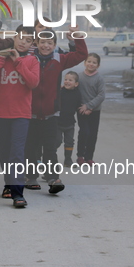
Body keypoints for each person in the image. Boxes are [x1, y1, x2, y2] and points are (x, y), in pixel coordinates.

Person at [24, 28, 88, 194]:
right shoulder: (29, 59)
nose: (46, 46)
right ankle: (31, 177)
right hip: (29, 113)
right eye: (43, 42)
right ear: (36, 43)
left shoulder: (59, 59)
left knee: (50, 148)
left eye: (50, 43)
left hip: (51, 113)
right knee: (30, 147)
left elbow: (81, 55)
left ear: (54, 45)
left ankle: (53, 178)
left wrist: (76, 39)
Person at [0, 25, 40, 208]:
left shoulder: (32, 60)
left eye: (28, 40)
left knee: (17, 153)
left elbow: (33, 83)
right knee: (4, 152)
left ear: (32, 44)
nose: (23, 42)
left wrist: (18, 62)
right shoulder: (0, 57)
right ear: (14, 37)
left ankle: (18, 193)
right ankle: (8, 184)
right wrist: (0, 59)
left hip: (21, 115)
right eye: (21, 38)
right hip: (1, 112)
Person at [76, 53, 106, 166]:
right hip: (82, 110)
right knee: (84, 132)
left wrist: (89, 106)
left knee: (93, 134)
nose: (91, 64)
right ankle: (80, 156)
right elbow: (75, 92)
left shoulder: (99, 79)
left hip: (94, 111)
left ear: (98, 65)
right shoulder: (79, 77)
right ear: (84, 63)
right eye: (89, 61)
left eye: (94, 62)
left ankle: (89, 157)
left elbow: (101, 95)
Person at [58, 71, 81, 167]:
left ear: (76, 84)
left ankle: (68, 160)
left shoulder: (78, 94)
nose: (67, 82)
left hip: (70, 123)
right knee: (56, 141)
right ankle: (51, 159)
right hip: (58, 123)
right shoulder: (60, 92)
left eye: (70, 80)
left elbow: (78, 106)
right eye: (66, 79)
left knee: (69, 141)